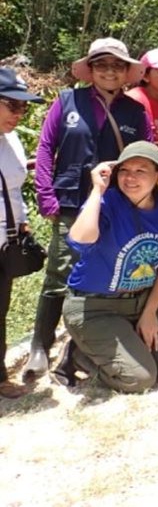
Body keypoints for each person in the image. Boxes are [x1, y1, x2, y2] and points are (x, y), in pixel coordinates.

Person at [25, 37, 152, 380]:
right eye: (101, 65)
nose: (109, 71)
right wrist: (45, 194)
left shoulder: (136, 112)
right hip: (70, 202)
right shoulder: (67, 101)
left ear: (127, 72)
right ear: (90, 70)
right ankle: (40, 346)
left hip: (115, 204)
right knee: (60, 275)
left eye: (116, 66)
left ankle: (78, 350)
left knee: (103, 277)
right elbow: (44, 148)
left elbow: (148, 157)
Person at [56, 143, 158, 392]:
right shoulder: (107, 203)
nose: (131, 177)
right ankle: (78, 355)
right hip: (95, 307)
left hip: (142, 301)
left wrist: (150, 312)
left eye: (141, 170)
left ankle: (126, 341)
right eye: (124, 170)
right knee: (140, 380)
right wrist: (97, 189)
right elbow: (80, 239)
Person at [0, 68, 44, 398]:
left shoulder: (12, 139)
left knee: (1, 308)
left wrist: (23, 223)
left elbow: (15, 190)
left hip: (8, 241)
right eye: (11, 106)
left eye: (22, 108)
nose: (18, 114)